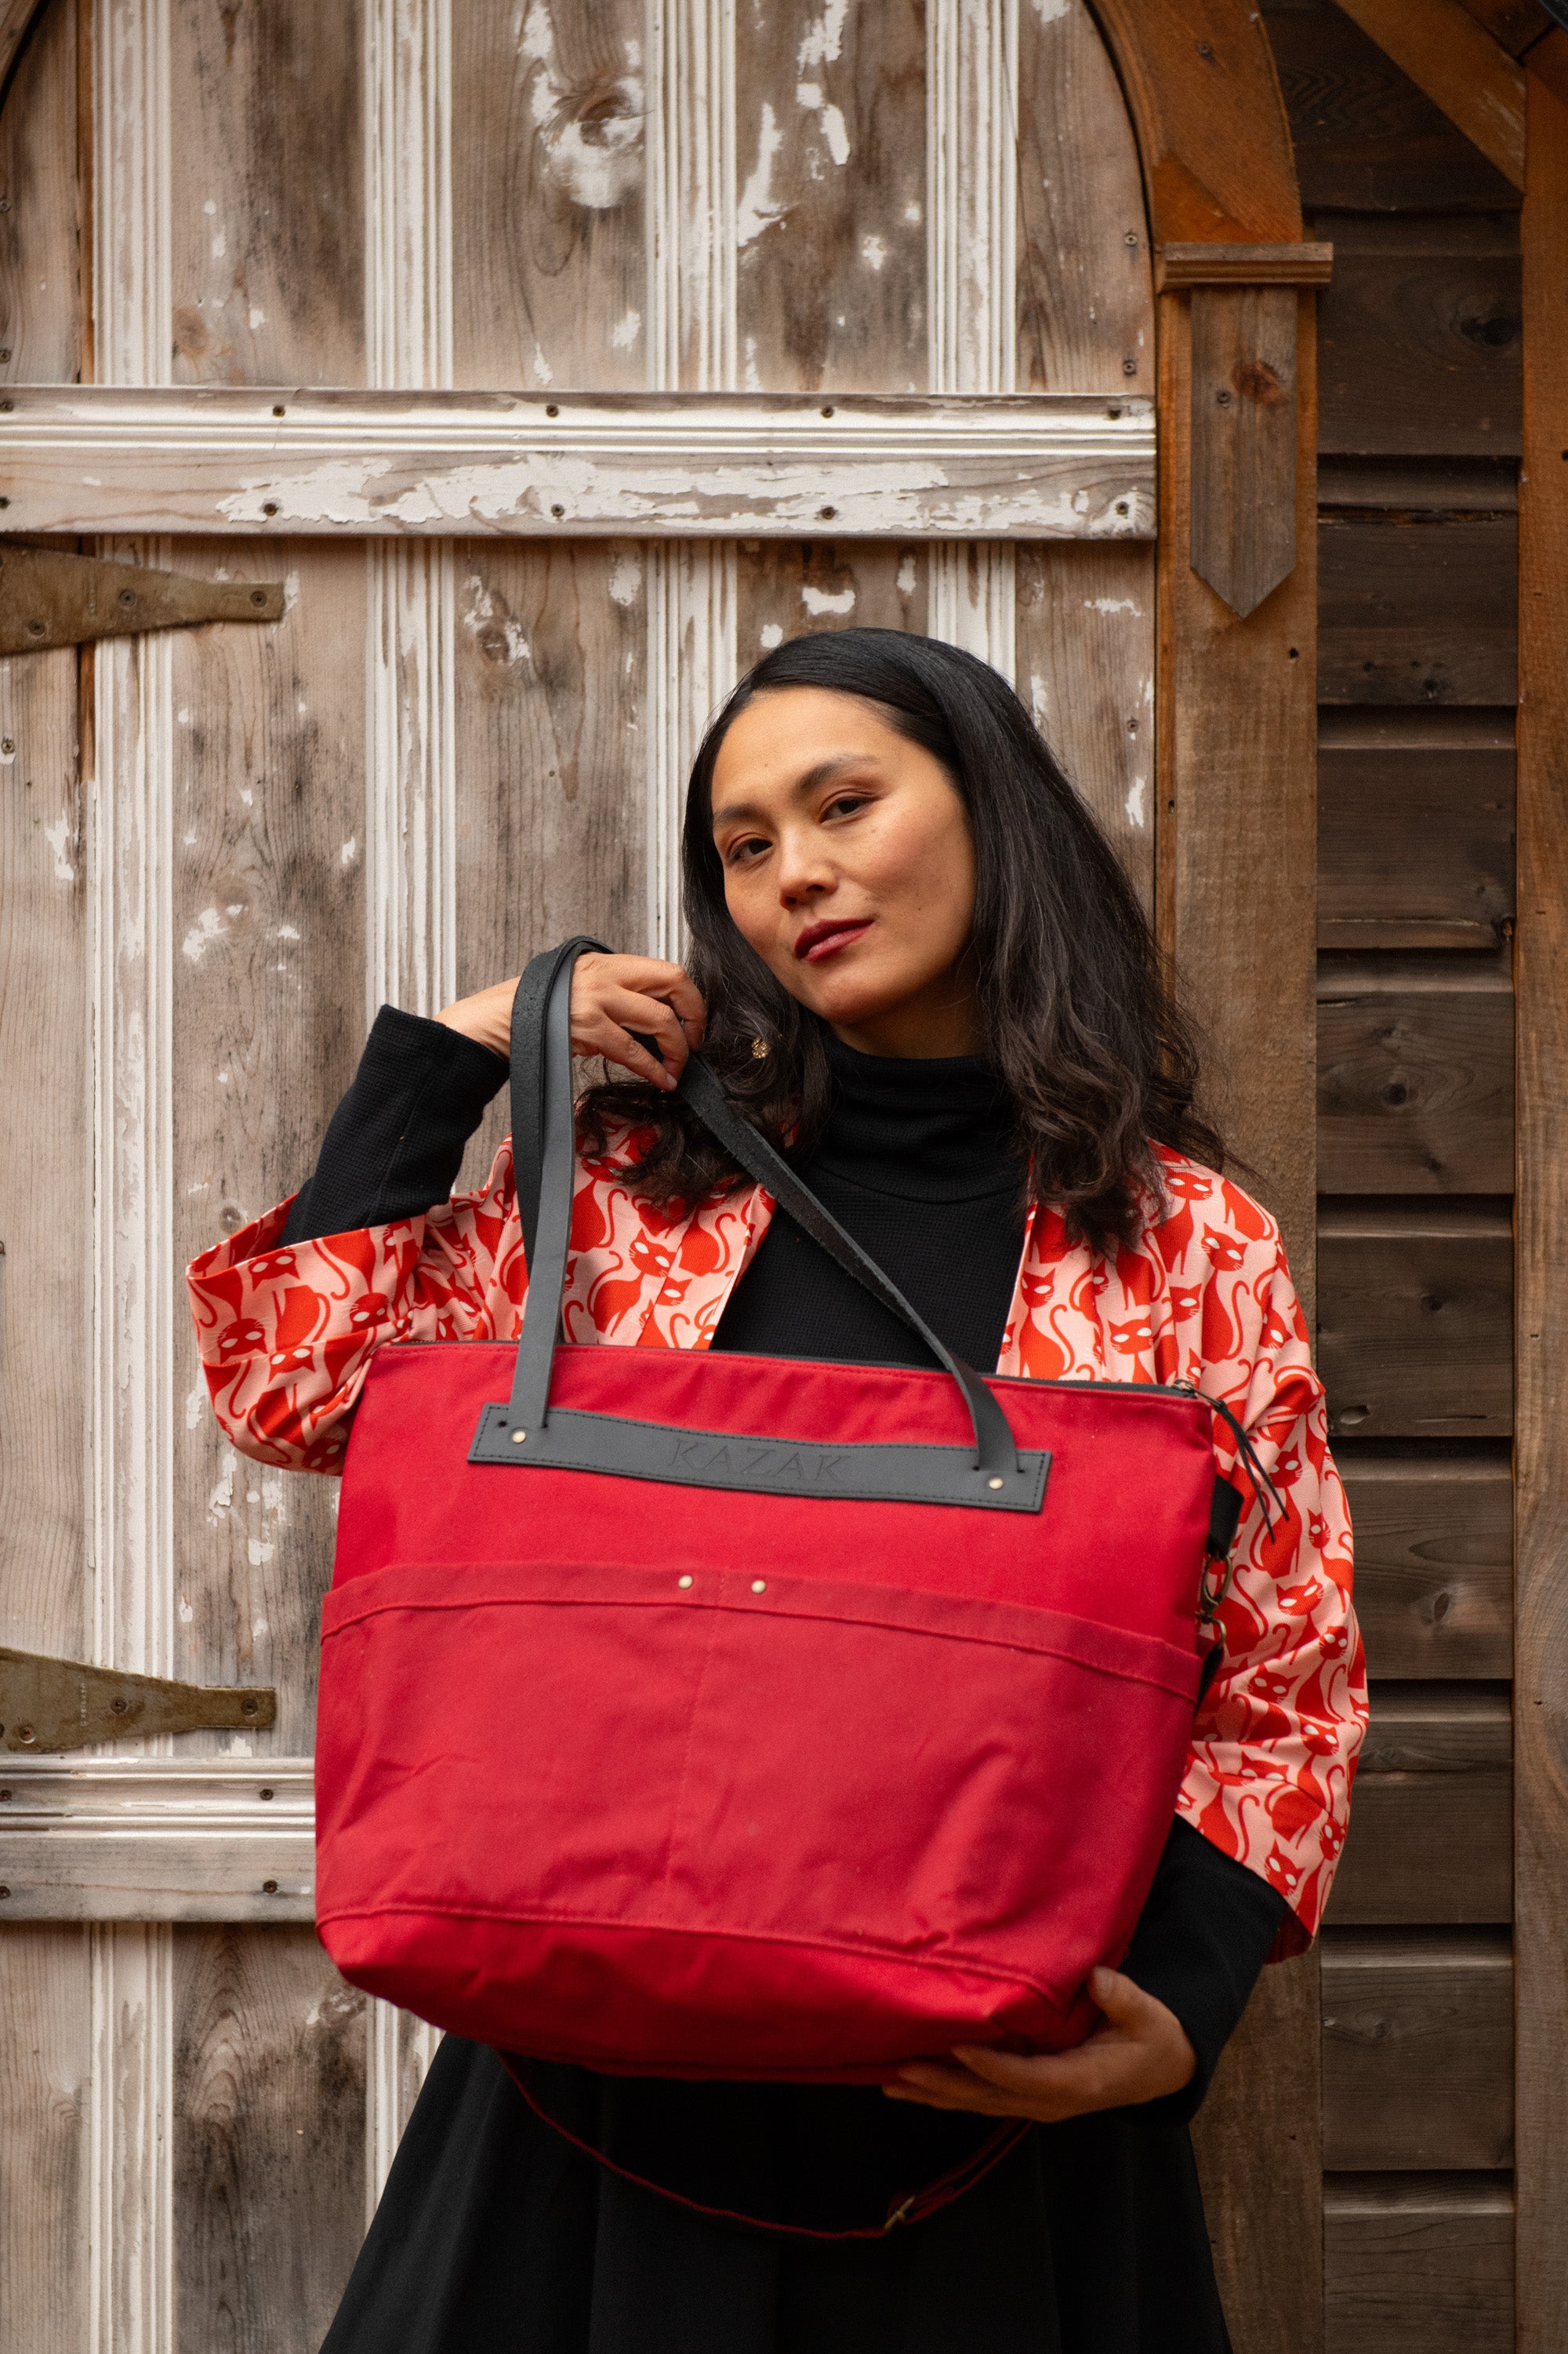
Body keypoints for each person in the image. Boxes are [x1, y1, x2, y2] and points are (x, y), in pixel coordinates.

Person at [188, 628, 1365, 2354]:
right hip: (591, 2119)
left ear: (991, 809)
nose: (794, 872)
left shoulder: (1182, 1241)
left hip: (994, 2134)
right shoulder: (625, 1189)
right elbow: (294, 1388)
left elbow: (1286, 1675)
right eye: (745, 846)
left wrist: (1176, 2009)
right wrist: (463, 1048)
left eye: (842, 805)